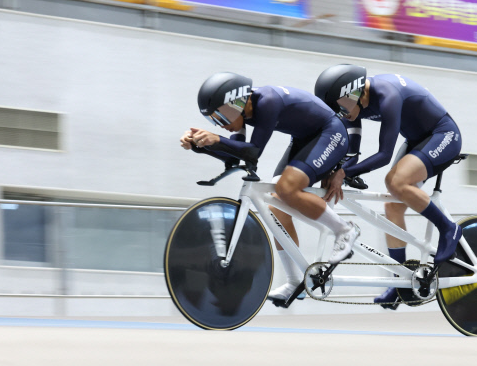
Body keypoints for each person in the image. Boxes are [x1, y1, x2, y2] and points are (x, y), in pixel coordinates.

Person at [180, 71, 360, 302]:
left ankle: (345, 230)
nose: (219, 124)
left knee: (286, 188)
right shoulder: (244, 112)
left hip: (331, 133)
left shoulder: (268, 101)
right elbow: (235, 157)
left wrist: (215, 139)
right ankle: (296, 282)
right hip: (305, 139)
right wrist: (200, 145)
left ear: (236, 103)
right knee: (276, 205)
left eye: (220, 117)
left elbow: (254, 151)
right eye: (213, 120)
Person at [314, 64, 462, 308]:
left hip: (443, 134)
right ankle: (399, 282)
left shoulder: (387, 94)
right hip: (417, 140)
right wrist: (334, 170)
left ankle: (448, 229)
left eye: (340, 108)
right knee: (392, 206)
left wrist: (343, 173)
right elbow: (351, 155)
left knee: (395, 181)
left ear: (355, 93)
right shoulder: (353, 105)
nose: (340, 114)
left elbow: (384, 154)